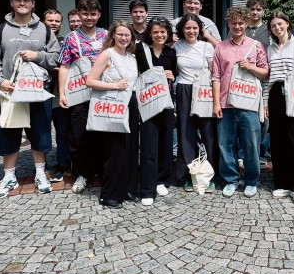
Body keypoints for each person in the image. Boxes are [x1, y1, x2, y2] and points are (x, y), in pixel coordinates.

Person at [0, 0, 61, 199]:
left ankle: (39, 173)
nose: (22, 3)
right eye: (17, 0)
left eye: (26, 0)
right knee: (8, 134)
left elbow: (56, 57)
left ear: (33, 4)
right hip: (10, 93)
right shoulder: (0, 30)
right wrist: (0, 81)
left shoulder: (44, 30)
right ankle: (9, 176)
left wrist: (37, 55)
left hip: (38, 92)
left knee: (40, 133)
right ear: (11, 3)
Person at [212, 6, 269, 197]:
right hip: (226, 103)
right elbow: (216, 76)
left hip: (248, 103)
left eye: (241, 23)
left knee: (251, 144)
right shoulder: (221, 47)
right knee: (226, 144)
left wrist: (251, 67)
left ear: (246, 24)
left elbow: (265, 72)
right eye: (233, 23)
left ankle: (251, 180)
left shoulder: (255, 45)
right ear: (228, 23)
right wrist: (216, 103)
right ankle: (230, 179)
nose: (237, 26)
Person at [86, 21, 139, 208]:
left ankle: (127, 188)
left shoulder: (131, 57)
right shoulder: (107, 55)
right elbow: (90, 81)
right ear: (113, 36)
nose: (124, 38)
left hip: (130, 105)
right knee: (115, 150)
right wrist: (114, 85)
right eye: (120, 34)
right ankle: (110, 193)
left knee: (130, 149)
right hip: (113, 106)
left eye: (127, 35)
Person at [58, 0, 108, 195]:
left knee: (103, 135)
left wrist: (103, 61)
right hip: (79, 94)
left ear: (99, 15)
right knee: (79, 136)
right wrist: (61, 92)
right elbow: (64, 66)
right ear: (79, 14)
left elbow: (118, 59)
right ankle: (83, 173)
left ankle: (103, 171)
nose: (89, 17)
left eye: (93, 14)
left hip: (103, 93)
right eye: (85, 13)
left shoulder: (106, 35)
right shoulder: (71, 38)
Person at [264, 10, 294, 203]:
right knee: (278, 141)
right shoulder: (270, 48)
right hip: (276, 94)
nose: (277, 28)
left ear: (287, 24)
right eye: (273, 25)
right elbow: (268, 79)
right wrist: (266, 103)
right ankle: (282, 183)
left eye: (280, 24)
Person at [173, 13, 217, 191]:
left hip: (204, 90)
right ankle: (190, 174)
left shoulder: (207, 47)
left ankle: (210, 174)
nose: (191, 31)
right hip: (184, 90)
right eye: (187, 27)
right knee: (186, 133)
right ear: (182, 30)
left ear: (200, 29)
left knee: (208, 133)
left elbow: (214, 74)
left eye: (194, 28)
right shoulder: (176, 46)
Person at [137, 17, 177, 206]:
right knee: (148, 145)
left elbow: (173, 75)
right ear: (149, 33)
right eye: (155, 32)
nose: (159, 35)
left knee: (165, 143)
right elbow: (136, 75)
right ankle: (147, 188)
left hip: (166, 103)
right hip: (147, 102)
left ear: (168, 33)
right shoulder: (140, 50)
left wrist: (171, 76)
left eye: (163, 32)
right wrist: (162, 74)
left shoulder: (171, 52)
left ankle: (161, 179)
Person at [43, 9, 70, 181]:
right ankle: (41, 165)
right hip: (40, 92)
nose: (53, 23)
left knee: (62, 131)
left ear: (61, 23)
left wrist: (59, 71)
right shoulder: (36, 40)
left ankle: (62, 164)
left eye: (57, 21)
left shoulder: (66, 41)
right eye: (50, 20)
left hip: (60, 92)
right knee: (41, 130)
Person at [246, 0, 271, 167]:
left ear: (263, 11)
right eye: (252, 9)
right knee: (247, 117)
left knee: (265, 118)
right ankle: (246, 152)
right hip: (245, 79)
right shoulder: (241, 28)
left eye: (258, 9)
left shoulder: (268, 30)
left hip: (265, 79)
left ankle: (264, 152)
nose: (255, 12)